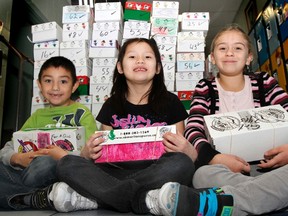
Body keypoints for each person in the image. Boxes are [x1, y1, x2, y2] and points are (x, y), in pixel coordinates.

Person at [143, 24, 288, 216]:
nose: (230, 53)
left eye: (238, 48)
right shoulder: (205, 88)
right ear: (212, 58)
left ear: (249, 57)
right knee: (201, 175)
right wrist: (215, 157)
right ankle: (272, 196)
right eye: (222, 48)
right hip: (226, 171)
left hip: (272, 165)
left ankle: (215, 203)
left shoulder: (265, 82)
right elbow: (193, 130)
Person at [39, 37, 197, 214]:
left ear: (158, 67)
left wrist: (187, 150)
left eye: (147, 57)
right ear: (120, 67)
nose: (140, 61)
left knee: (181, 163)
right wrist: (87, 153)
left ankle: (103, 199)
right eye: (132, 57)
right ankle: (144, 200)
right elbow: (104, 154)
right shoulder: (111, 105)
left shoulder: (172, 102)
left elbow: (178, 149)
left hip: (156, 172)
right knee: (66, 163)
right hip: (115, 173)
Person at [0, 56, 97, 210]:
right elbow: (7, 148)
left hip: (62, 172)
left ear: (74, 85)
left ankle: (25, 196)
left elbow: (91, 153)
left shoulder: (82, 113)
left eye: (63, 81)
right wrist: (17, 158)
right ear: (39, 85)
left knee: (46, 162)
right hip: (29, 174)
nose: (55, 88)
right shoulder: (37, 116)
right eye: (48, 81)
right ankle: (40, 197)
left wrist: (63, 156)